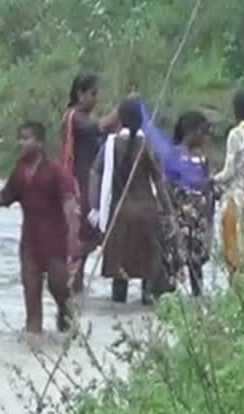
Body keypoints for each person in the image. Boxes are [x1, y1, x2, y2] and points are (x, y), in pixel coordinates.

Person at [0, 122, 78, 334]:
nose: (20, 143)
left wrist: (73, 238)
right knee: (31, 300)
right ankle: (33, 345)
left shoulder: (56, 172)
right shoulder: (19, 172)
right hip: (30, 245)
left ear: (39, 143)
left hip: (55, 242)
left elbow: (69, 204)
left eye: (26, 138)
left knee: (59, 287)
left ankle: (67, 318)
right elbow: (4, 198)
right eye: (19, 138)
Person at [87, 98, 178, 305]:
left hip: (120, 216)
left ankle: (118, 321)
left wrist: (95, 208)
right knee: (149, 275)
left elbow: (95, 173)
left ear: (119, 119)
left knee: (120, 280)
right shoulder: (146, 147)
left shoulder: (111, 145)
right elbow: (159, 182)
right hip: (147, 214)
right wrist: (170, 214)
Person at [60, 73, 119, 293]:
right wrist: (119, 112)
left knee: (86, 238)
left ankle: (75, 286)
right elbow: (99, 127)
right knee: (77, 241)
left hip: (87, 186)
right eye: (92, 94)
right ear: (80, 94)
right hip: (75, 186)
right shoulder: (74, 117)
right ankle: (68, 289)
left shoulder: (83, 118)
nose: (96, 99)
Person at [213, 90, 244, 280]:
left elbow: (228, 172)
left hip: (234, 198)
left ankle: (235, 292)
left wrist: (211, 180)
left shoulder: (235, 134)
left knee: (231, 249)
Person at [167, 111, 214, 296]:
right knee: (174, 261)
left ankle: (197, 297)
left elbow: (208, 189)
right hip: (179, 218)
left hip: (198, 220)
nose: (205, 137)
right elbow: (167, 185)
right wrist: (171, 215)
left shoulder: (203, 159)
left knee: (197, 262)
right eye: (203, 132)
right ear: (191, 132)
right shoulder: (174, 156)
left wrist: (209, 219)